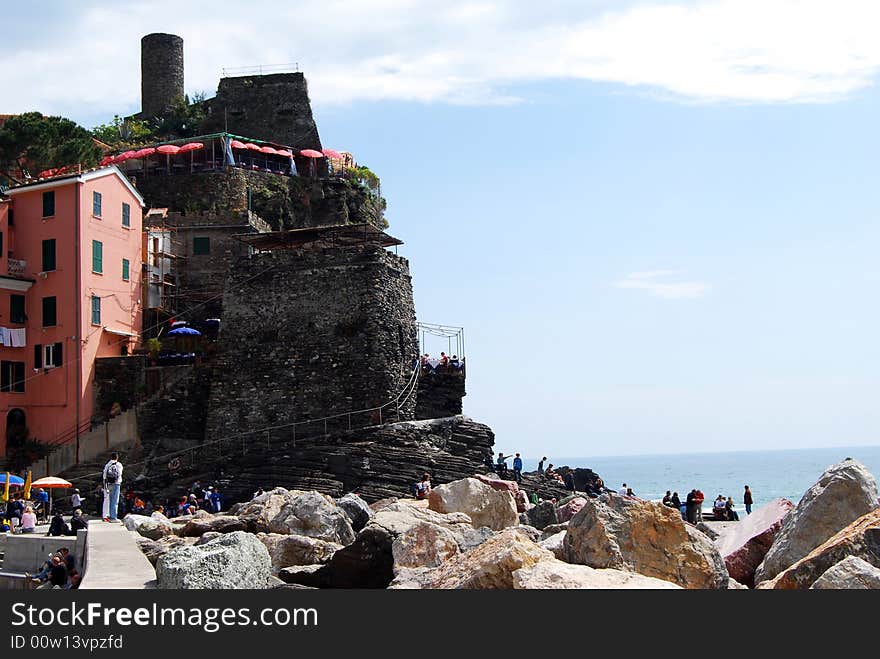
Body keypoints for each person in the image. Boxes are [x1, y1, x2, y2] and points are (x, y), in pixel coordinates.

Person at [102, 452, 123, 522]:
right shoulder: (119, 465)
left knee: (108, 500)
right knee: (114, 501)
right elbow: (119, 474)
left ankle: (106, 515)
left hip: (108, 484)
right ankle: (113, 517)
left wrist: (105, 486)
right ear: (117, 457)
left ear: (111, 457)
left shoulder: (107, 465)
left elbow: (104, 476)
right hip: (116, 484)